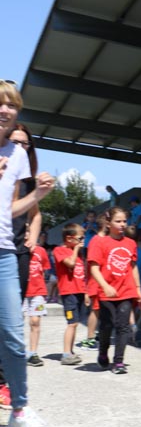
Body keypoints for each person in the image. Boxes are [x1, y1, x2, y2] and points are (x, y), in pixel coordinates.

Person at [0, 82, 56, 427]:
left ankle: (19, 410)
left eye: (12, 105)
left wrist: (38, 194)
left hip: (4, 253)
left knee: (12, 334)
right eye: (0, 103)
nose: (5, 110)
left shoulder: (17, 154)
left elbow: (10, 208)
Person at [88, 207, 141, 374]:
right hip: (107, 291)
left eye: (124, 221)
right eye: (118, 221)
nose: (122, 224)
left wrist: (138, 288)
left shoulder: (131, 243)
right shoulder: (99, 242)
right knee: (107, 325)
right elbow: (94, 268)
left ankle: (119, 362)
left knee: (123, 326)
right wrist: (105, 286)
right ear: (108, 223)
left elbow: (133, 267)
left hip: (126, 290)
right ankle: (103, 352)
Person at [9, 124, 40, 303]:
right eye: (15, 142)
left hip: (19, 251)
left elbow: (36, 214)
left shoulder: (29, 183)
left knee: (15, 306)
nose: (20, 147)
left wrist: (33, 238)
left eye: (25, 143)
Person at [53, 223, 86, 365]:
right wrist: (76, 249)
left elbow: (82, 274)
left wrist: (86, 293)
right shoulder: (59, 250)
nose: (82, 241)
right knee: (72, 323)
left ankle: (70, 351)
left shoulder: (77, 254)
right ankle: (66, 354)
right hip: (69, 292)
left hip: (79, 291)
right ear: (69, 238)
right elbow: (70, 264)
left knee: (76, 323)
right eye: (80, 238)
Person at [22, 246, 50, 367]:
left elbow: (44, 271)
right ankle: (16, 352)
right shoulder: (16, 249)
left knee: (35, 321)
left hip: (38, 291)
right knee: (17, 323)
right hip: (20, 291)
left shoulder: (41, 251)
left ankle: (33, 353)